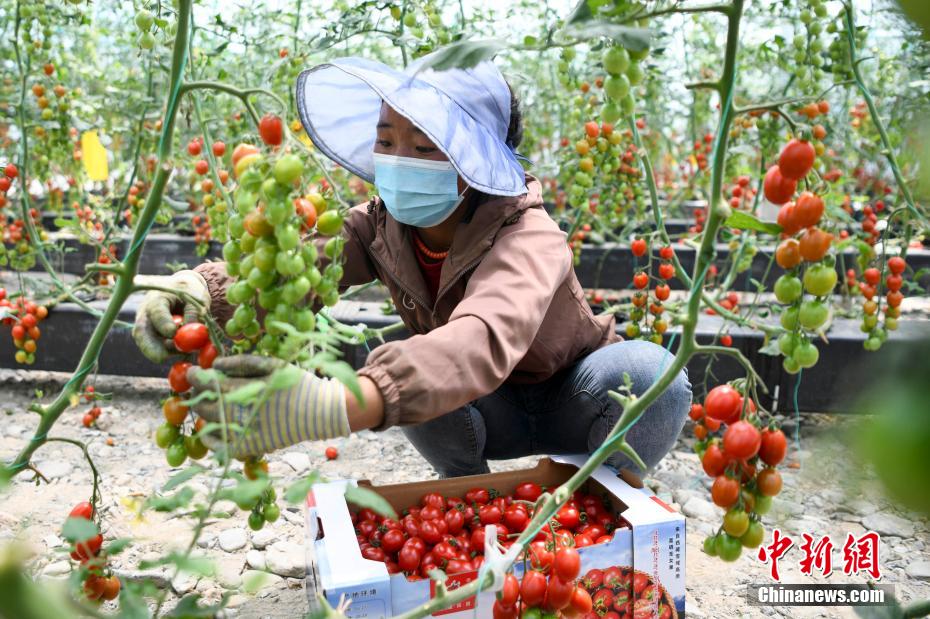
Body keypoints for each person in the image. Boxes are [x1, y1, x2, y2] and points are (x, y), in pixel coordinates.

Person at [131, 54, 691, 480]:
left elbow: (483, 336)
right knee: (408, 363)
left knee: (651, 376)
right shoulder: (377, 227)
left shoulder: (530, 234)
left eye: (426, 149)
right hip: (481, 409)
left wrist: (337, 405)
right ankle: (465, 495)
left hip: (572, 395)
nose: (399, 160)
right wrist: (199, 292)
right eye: (386, 141)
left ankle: (609, 497)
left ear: (476, 159)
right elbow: (298, 268)